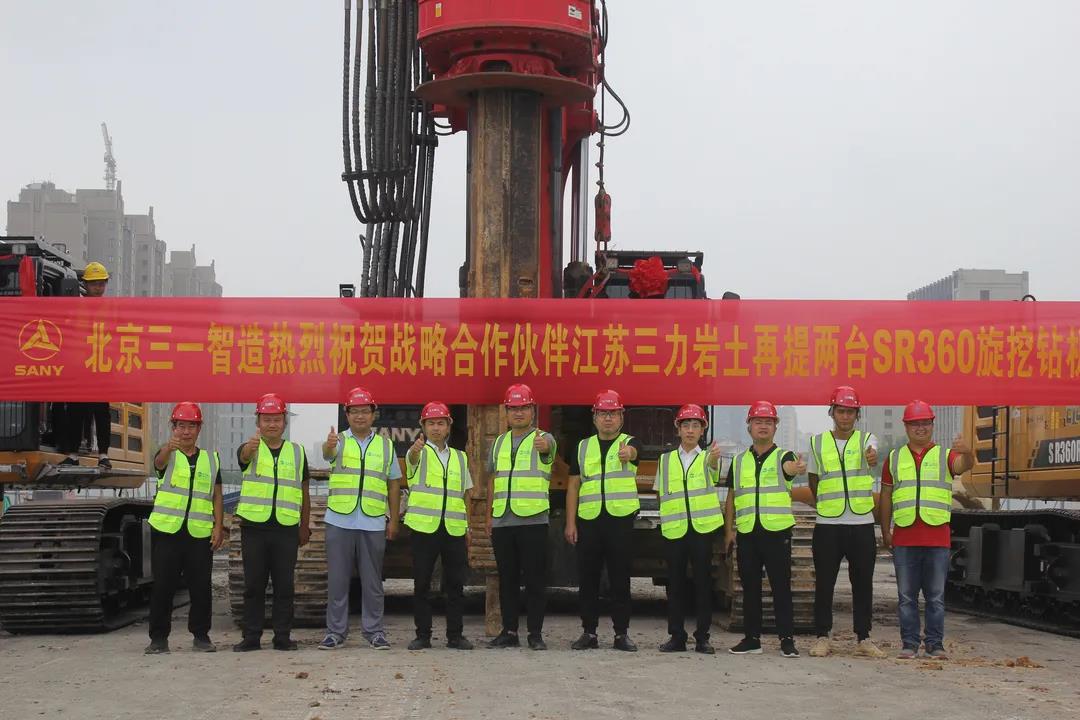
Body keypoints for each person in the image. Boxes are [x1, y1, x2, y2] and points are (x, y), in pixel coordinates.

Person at [880, 400, 974, 660]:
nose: (920, 428)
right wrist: (886, 530)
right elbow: (886, 495)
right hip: (905, 537)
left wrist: (968, 453)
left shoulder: (945, 455)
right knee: (906, 597)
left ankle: (935, 644)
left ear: (932, 425)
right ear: (906, 427)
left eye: (925, 423)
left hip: (937, 538)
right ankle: (909, 644)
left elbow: (964, 465)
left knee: (936, 597)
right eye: (915, 424)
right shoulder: (894, 458)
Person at [806, 386, 886, 658]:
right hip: (828, 524)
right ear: (832, 412)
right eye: (841, 411)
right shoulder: (817, 443)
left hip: (861, 522)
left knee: (863, 583)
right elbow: (814, 479)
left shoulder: (866, 439)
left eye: (850, 412)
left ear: (857, 414)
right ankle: (822, 636)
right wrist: (826, 502)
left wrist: (872, 456)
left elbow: (872, 453)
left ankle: (864, 637)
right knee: (824, 583)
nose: (845, 416)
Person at [318, 387, 401, 650]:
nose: (360, 416)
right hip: (339, 520)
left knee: (373, 581)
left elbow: (394, 484)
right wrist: (329, 445)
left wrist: (394, 520)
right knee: (338, 580)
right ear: (347, 415)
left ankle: (374, 631)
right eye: (354, 411)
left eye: (365, 411)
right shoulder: (338, 441)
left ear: (373, 414)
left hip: (373, 520)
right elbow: (327, 454)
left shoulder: (385, 446)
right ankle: (335, 632)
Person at [723, 400, 805, 658]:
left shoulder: (784, 457)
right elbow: (731, 496)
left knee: (781, 587)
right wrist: (729, 531)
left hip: (776, 533)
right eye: (758, 421)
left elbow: (790, 470)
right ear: (749, 426)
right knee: (749, 588)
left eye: (768, 422)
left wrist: (794, 469)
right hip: (748, 532)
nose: (763, 426)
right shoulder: (739, 461)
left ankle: (787, 640)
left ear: (775, 427)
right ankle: (752, 639)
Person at [565, 389, 643, 652]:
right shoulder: (582, 446)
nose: (608, 418)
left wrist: (629, 453)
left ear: (621, 417)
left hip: (619, 521)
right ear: (594, 417)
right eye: (603, 413)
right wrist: (570, 523)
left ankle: (621, 634)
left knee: (620, 579)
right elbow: (573, 485)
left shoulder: (629, 441)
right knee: (588, 579)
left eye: (613, 413)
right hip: (589, 521)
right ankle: (589, 632)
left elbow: (636, 452)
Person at [232, 393, 312, 652]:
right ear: (258, 421)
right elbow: (244, 457)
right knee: (254, 585)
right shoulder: (249, 447)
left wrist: (304, 526)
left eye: (276, 419)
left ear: (284, 422)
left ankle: (282, 636)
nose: (272, 424)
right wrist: (250, 447)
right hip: (254, 528)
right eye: (266, 419)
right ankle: (251, 636)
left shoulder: (297, 452)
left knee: (284, 585)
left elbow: (304, 491)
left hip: (286, 528)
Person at [144, 402, 225, 654]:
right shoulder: (167, 454)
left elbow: (217, 495)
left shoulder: (211, 459)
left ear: (199, 428)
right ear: (174, 427)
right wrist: (168, 448)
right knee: (163, 587)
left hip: (199, 532)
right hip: (167, 531)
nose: (186, 431)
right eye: (181, 426)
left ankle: (201, 635)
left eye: (191, 426)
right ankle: (158, 639)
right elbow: (159, 463)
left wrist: (218, 526)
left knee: (201, 587)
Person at [485, 383, 557, 651]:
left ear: (532, 411)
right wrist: (489, 515)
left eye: (523, 408)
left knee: (535, 580)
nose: (518, 413)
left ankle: (535, 634)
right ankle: (509, 631)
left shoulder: (544, 439)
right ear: (506, 412)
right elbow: (493, 480)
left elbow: (548, 452)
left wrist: (544, 447)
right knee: (507, 580)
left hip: (533, 520)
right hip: (503, 520)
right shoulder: (499, 443)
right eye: (513, 408)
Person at [404, 401, 474, 650]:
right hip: (424, 528)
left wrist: (467, 527)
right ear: (423, 426)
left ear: (448, 426)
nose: (436, 428)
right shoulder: (418, 453)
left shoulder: (460, 457)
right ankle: (423, 635)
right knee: (422, 583)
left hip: (453, 528)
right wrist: (414, 450)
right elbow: (411, 460)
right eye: (431, 423)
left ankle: (455, 635)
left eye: (440, 423)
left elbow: (465, 494)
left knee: (455, 584)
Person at [655, 404, 723, 654]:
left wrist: (714, 459)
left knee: (703, 585)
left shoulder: (708, 458)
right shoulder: (665, 460)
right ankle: (677, 636)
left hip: (701, 530)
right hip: (675, 530)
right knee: (675, 585)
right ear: (678, 429)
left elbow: (714, 473)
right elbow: (661, 493)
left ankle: (702, 637)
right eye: (686, 425)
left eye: (696, 425)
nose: (691, 430)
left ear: (703, 430)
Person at [58, 261, 112, 469]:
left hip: (101, 367)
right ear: (85, 285)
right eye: (94, 284)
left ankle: (103, 455)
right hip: (79, 368)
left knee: (101, 412)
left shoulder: (111, 309)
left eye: (101, 283)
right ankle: (73, 454)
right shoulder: (75, 309)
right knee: (76, 410)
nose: (98, 287)